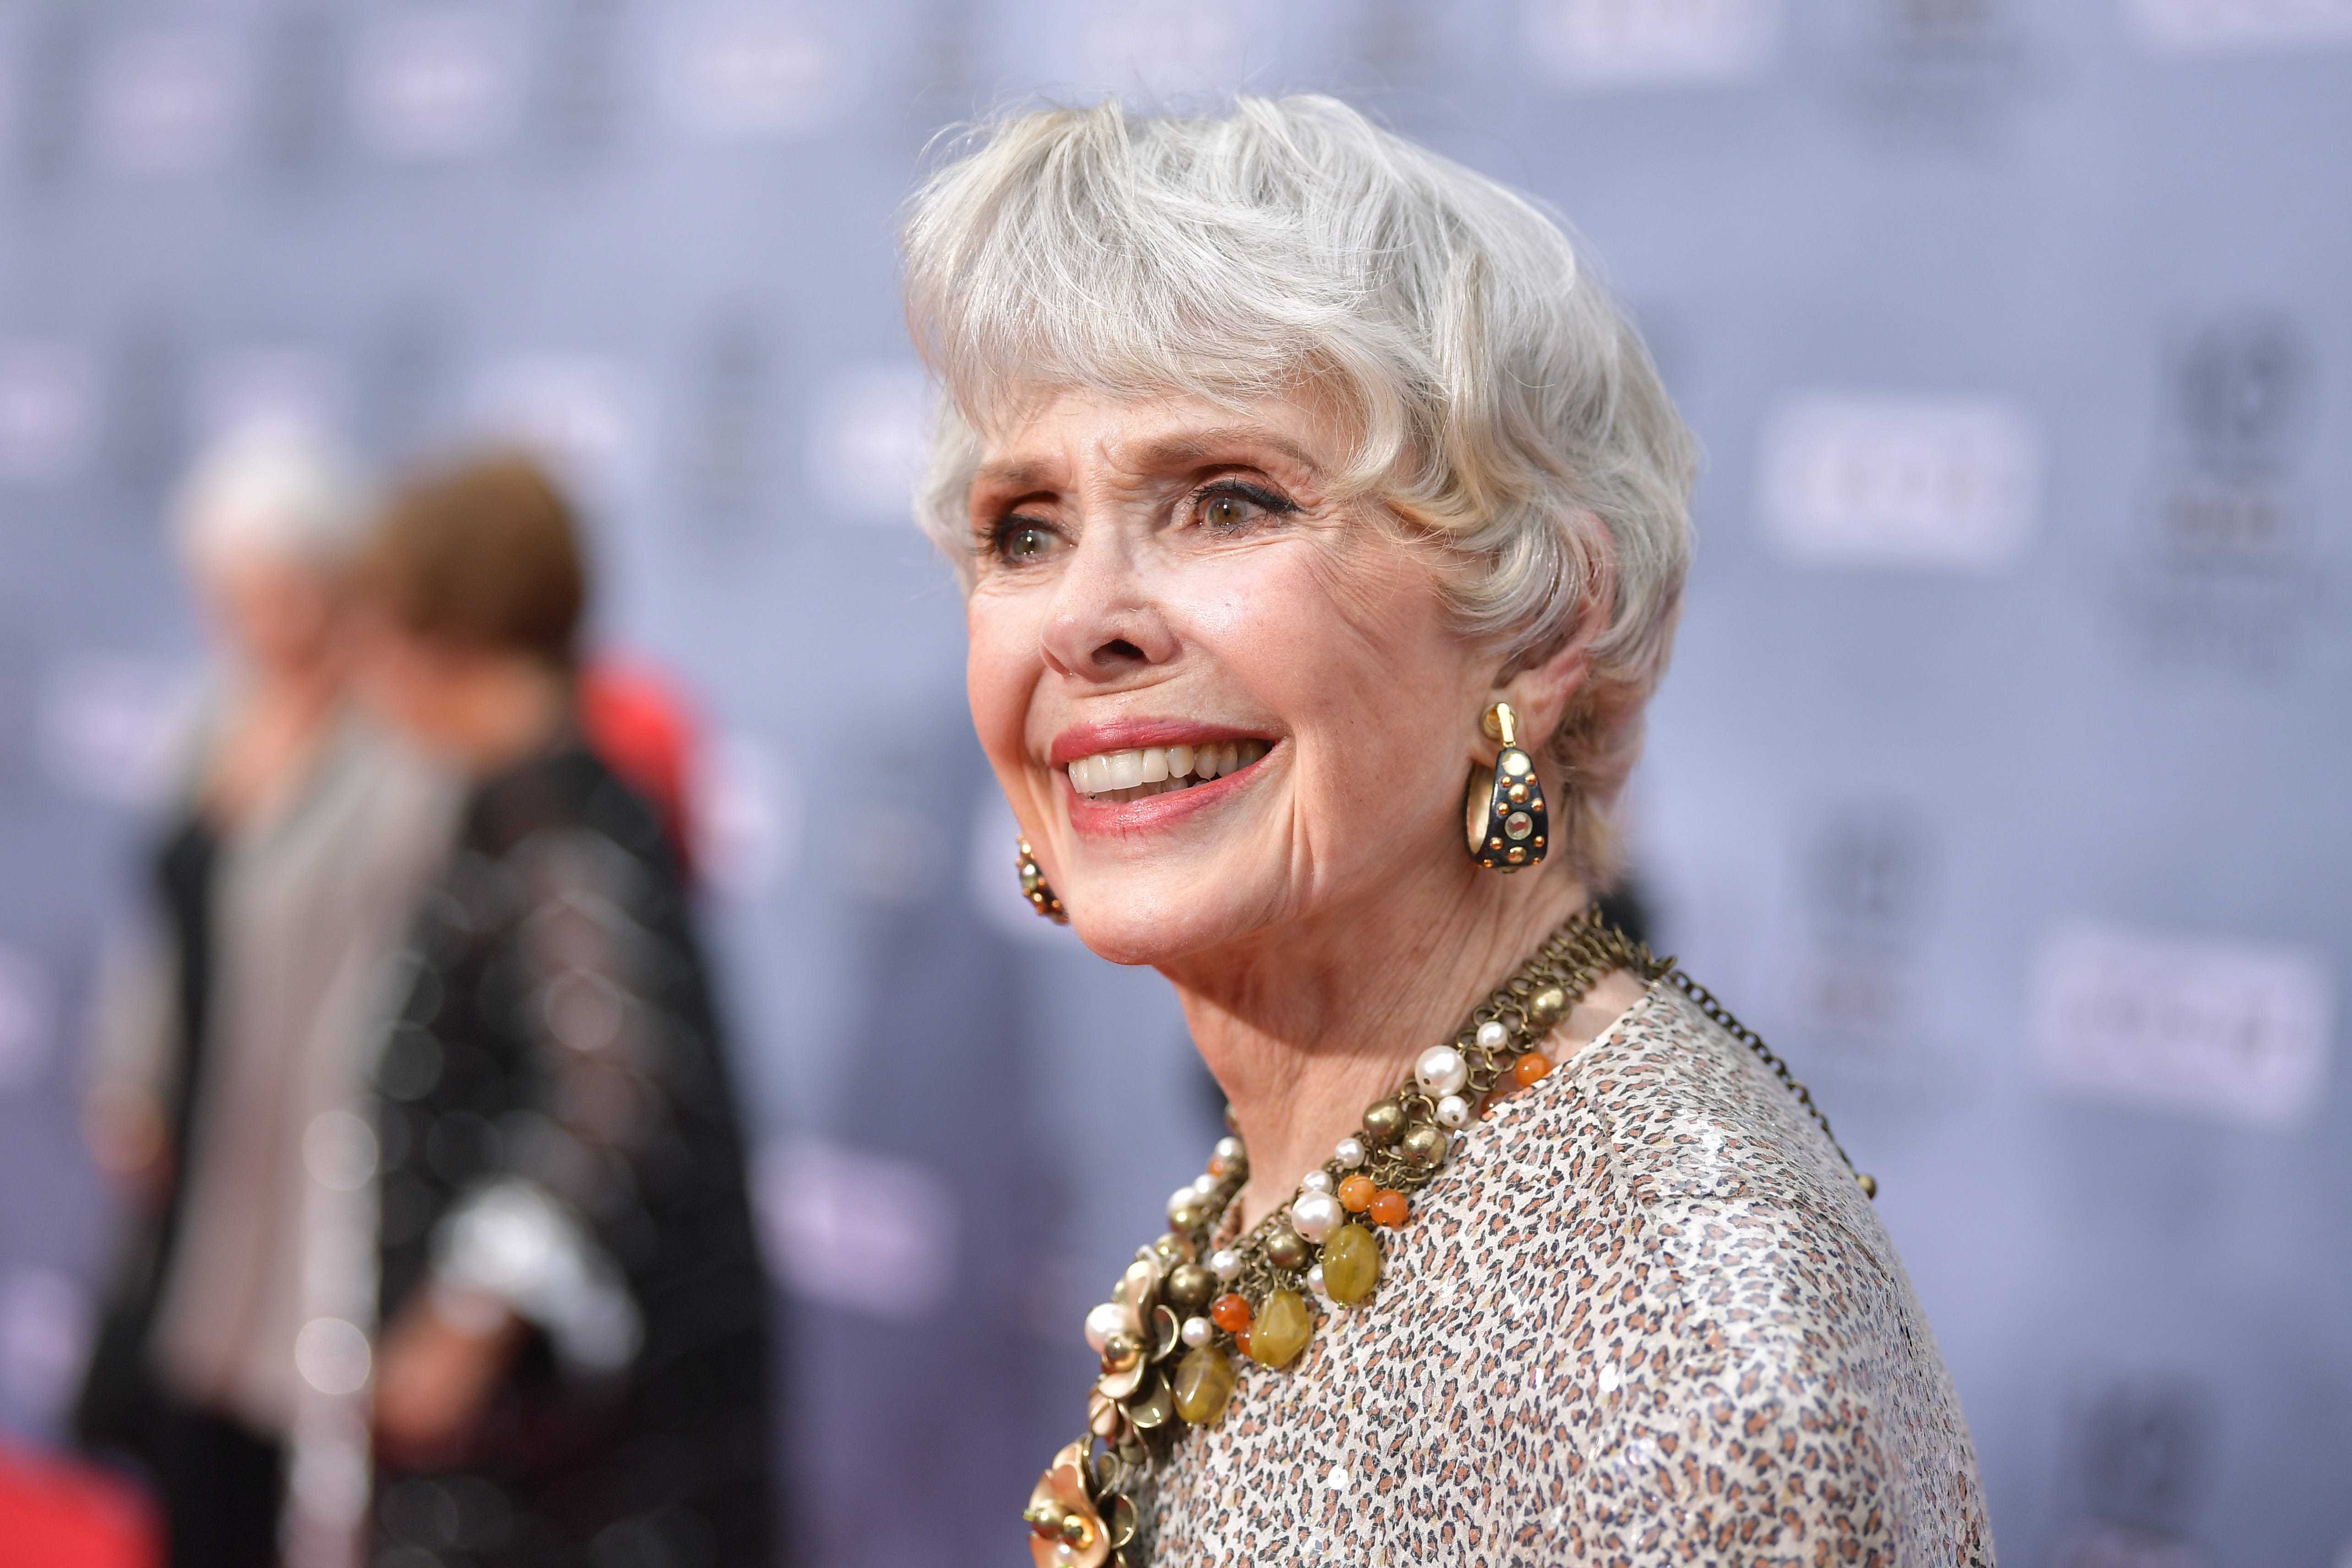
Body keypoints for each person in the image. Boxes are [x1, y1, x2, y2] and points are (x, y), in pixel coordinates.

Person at [902, 98, 1993, 1566]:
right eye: (1025, 529)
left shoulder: (1688, 1334)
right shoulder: (1348, 1149)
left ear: (1543, 625)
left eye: (1230, 502)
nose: (1087, 620)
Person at [352, 453, 775, 1566]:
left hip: (587, 1475)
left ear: (447, 624)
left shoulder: (558, 830)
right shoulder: (526, 804)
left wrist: (461, 1321)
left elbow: (615, 1086)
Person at [76, 422, 458, 1568]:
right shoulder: (212, 718)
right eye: (226, 592)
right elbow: (167, 918)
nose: (240, 618)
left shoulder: (403, 748)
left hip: (309, 1161)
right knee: (183, 1442)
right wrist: (134, 1070)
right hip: (197, 1139)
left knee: (287, 1458)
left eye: (267, 590)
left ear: (332, 581)